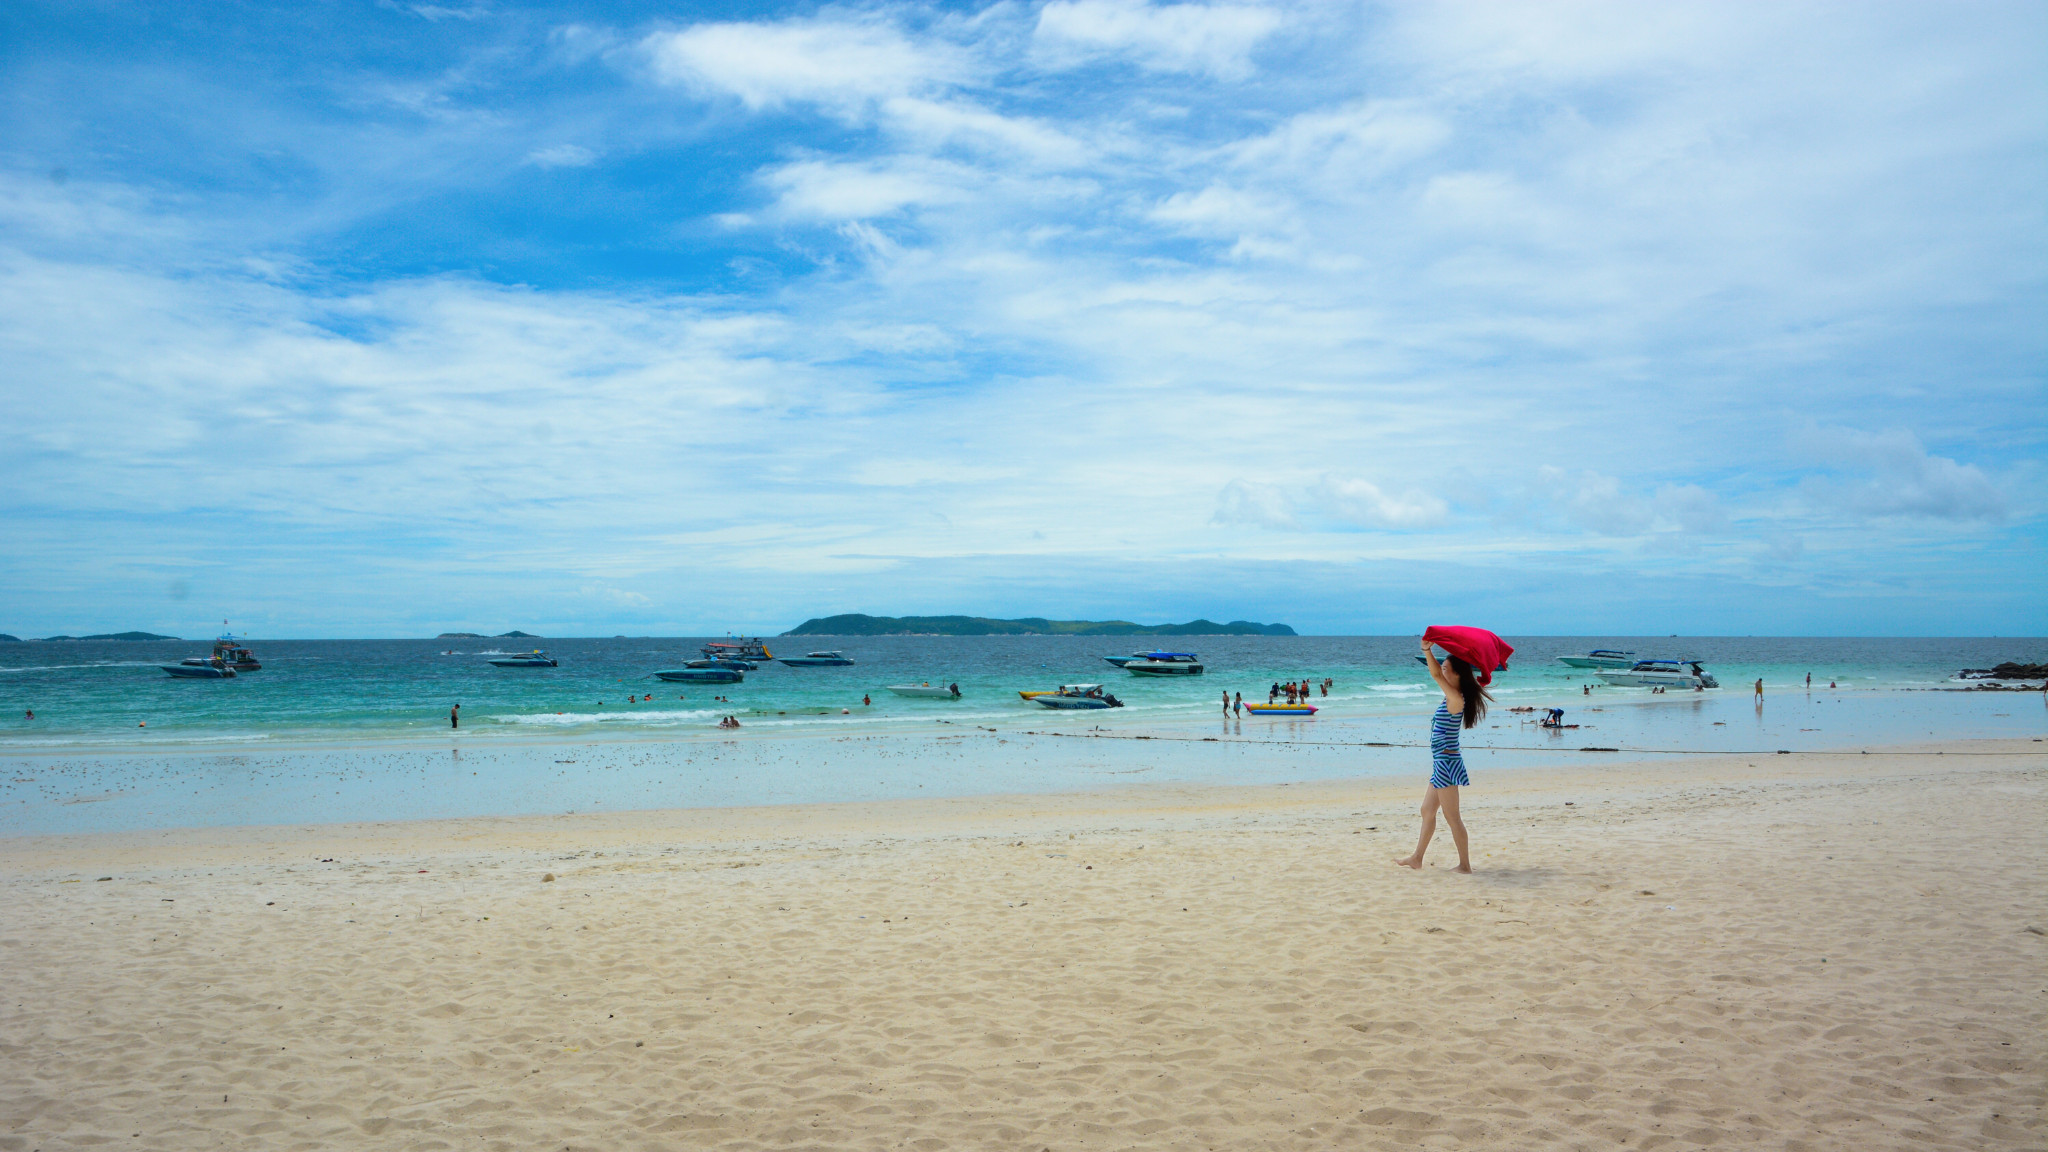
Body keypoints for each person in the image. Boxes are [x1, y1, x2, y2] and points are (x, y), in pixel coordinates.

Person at [1396, 637, 1489, 873]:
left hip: (1446, 763)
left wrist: (1427, 650)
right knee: (1427, 811)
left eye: (1447, 669)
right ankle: (1417, 858)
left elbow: (1435, 674)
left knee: (1452, 816)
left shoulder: (1456, 699)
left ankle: (1465, 865)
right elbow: (1438, 673)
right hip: (1442, 762)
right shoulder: (1453, 696)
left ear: (1457, 675)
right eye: (1444, 668)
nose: (1442, 672)